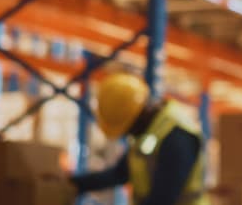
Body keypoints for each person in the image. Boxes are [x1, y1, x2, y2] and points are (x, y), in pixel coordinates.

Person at [70, 72, 207, 205]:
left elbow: (163, 199)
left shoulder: (177, 138)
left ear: (137, 117)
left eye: (128, 129)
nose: (128, 134)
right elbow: (120, 174)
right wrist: (73, 184)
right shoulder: (148, 133)